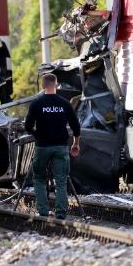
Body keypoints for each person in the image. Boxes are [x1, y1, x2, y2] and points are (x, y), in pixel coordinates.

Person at [24, 73, 81, 220]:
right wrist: (76, 144)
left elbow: (28, 126)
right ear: (56, 85)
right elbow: (76, 126)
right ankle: (61, 213)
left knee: (39, 178)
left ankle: (43, 212)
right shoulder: (64, 103)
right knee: (61, 180)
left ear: (43, 86)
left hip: (42, 147)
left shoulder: (36, 103)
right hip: (61, 147)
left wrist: (37, 135)